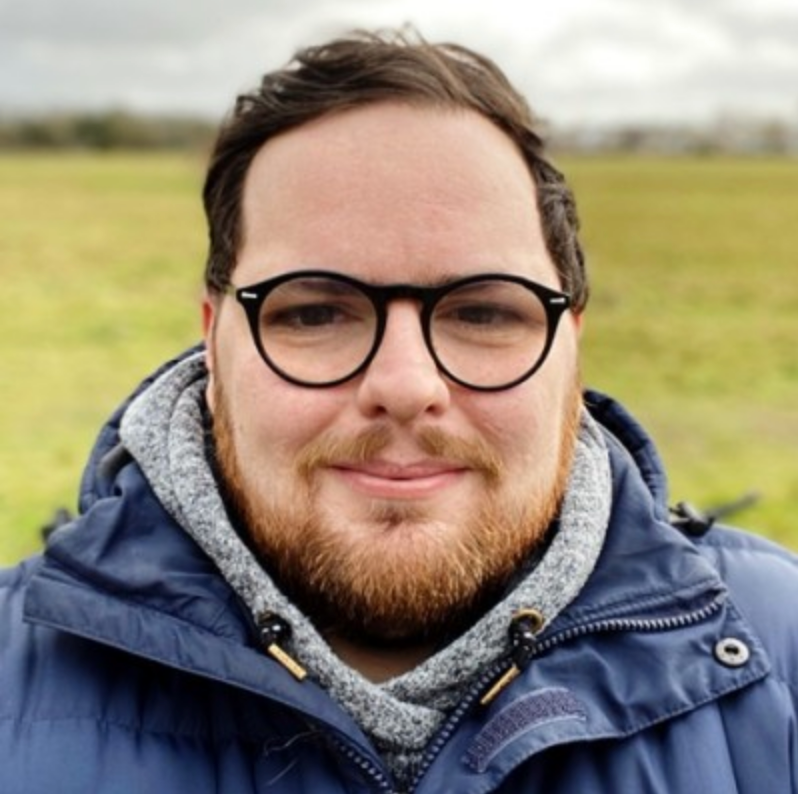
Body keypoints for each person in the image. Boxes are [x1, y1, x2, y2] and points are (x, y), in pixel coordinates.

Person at [1, 28, 797, 794]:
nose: (407, 384)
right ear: (215, 343)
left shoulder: (778, 654)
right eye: (314, 312)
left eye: (484, 312)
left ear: (572, 347)